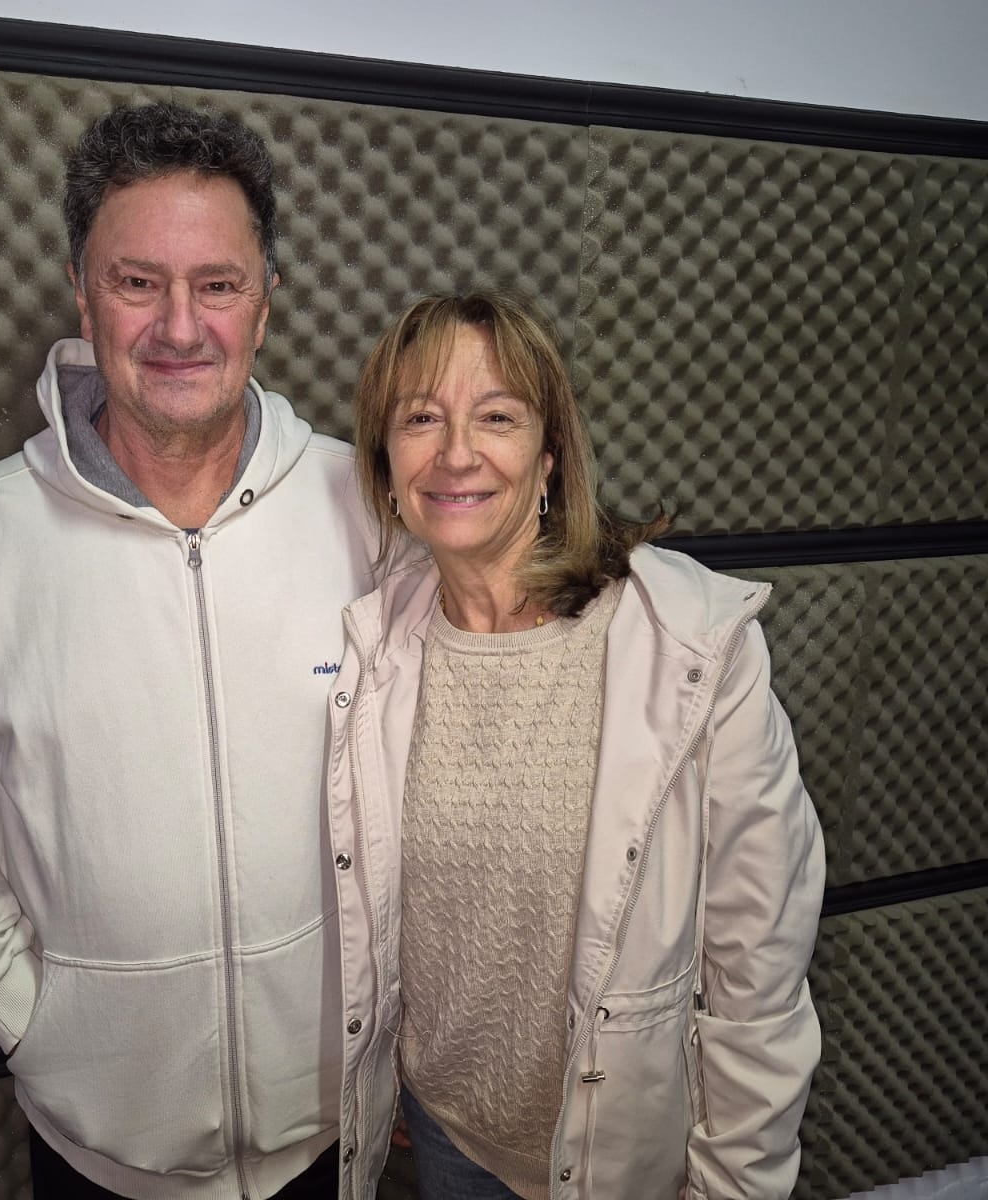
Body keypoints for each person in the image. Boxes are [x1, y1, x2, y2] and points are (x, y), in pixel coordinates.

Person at [0, 102, 381, 1200]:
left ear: (265, 304)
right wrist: (27, 1013)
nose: (180, 326)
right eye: (138, 282)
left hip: (330, 1136)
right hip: (99, 1153)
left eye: (218, 285)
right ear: (83, 297)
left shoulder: (365, 509)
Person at [327, 292, 825, 1200]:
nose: (457, 453)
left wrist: (736, 1186)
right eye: (422, 419)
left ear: (549, 457)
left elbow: (759, 971)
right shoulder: (375, 649)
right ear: (385, 465)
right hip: (447, 1132)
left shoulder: (687, 647)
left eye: (497, 417)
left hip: (621, 1157)